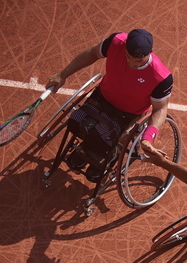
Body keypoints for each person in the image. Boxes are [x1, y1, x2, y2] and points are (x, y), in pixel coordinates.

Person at [46, 29, 172, 182]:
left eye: (139, 62)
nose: (132, 64)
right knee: (76, 121)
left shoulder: (161, 77)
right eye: (129, 58)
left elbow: (160, 108)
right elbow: (92, 53)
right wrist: (63, 74)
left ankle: (110, 154)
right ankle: (89, 146)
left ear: (150, 53)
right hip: (101, 99)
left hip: (128, 114)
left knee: (103, 138)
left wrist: (147, 138)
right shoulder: (116, 42)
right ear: (125, 47)